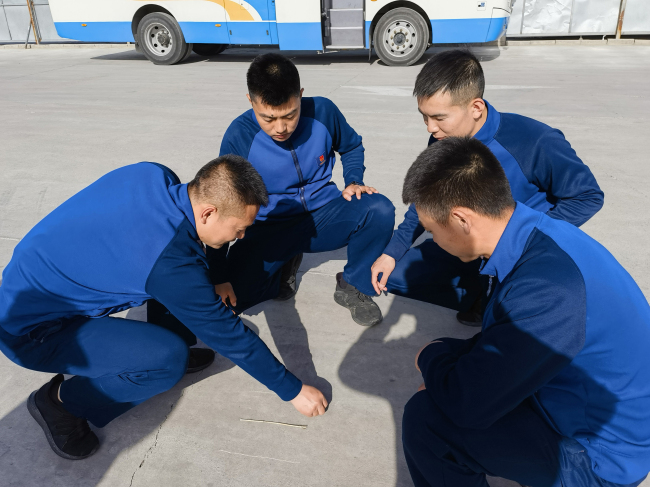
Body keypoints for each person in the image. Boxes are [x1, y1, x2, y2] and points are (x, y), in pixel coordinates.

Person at [0, 156, 327, 460]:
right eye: (239, 228)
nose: (241, 236)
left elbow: (178, 244)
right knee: (167, 360)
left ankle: (157, 345)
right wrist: (292, 390)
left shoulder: (154, 176)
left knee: (179, 277)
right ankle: (61, 403)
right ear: (208, 212)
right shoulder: (171, 266)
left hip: (29, 285)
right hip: (30, 332)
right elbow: (229, 335)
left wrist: (218, 275)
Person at [400, 137, 650, 487]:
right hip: (579, 404)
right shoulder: (537, 235)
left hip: (601, 458)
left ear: (460, 219)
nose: (434, 241)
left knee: (428, 420)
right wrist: (446, 354)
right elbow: (508, 336)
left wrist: (431, 356)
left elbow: (467, 405)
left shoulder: (547, 287)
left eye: (431, 231)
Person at [370, 49, 604, 326]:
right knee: (388, 276)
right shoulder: (443, 138)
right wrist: (392, 252)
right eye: (424, 116)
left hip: (517, 252)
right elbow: (427, 198)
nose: (430, 128)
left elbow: (588, 196)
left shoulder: (534, 141)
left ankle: (491, 298)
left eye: (439, 118)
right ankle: (480, 291)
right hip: (466, 239)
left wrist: (527, 239)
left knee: (504, 326)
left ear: (476, 108)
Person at [211, 53, 395, 327]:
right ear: (251, 101)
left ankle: (353, 285)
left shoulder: (323, 111)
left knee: (378, 209)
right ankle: (284, 264)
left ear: (300, 94)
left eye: (290, 115)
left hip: (323, 216)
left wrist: (354, 181)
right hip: (269, 227)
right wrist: (219, 276)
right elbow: (223, 207)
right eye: (268, 118)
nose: (281, 128)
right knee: (234, 301)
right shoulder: (239, 136)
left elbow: (351, 146)